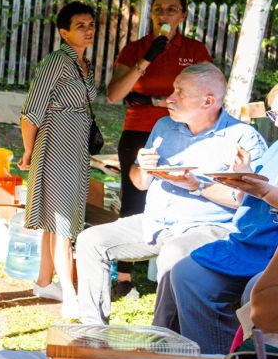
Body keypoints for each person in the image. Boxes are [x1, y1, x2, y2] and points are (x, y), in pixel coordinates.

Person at [73, 64, 265, 326]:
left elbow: (248, 201)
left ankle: (163, 337)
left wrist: (197, 186)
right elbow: (139, 183)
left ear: (208, 101)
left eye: (180, 92)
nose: (169, 98)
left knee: (174, 253)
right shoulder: (164, 126)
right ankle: (92, 331)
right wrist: (144, 167)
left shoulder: (242, 138)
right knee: (90, 240)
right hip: (156, 222)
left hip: (208, 228)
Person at [105, 0, 212, 295]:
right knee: (134, 197)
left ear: (183, 15)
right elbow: (115, 94)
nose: (163, 15)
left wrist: (151, 99)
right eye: (158, 9)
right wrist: (148, 58)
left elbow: (206, 92)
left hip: (183, 133)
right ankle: (124, 276)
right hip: (139, 131)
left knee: (182, 192)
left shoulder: (195, 49)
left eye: (171, 9)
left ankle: (177, 263)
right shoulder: (136, 49)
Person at [172, 84, 278, 353]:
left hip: (273, 249)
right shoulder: (275, 147)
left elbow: (267, 192)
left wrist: (264, 191)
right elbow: (245, 200)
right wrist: (244, 175)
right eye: (274, 115)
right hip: (249, 241)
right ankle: (213, 357)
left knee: (257, 290)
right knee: (187, 273)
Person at [19, 1, 98, 312]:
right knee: (62, 219)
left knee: (55, 219)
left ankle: (43, 281)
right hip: (55, 145)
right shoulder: (56, 61)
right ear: (64, 33)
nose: (88, 30)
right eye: (80, 26)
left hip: (75, 146)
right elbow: (31, 112)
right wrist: (29, 151)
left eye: (91, 25)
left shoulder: (84, 63)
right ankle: (70, 294)